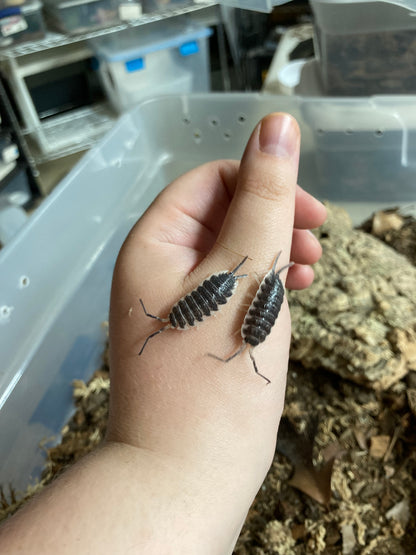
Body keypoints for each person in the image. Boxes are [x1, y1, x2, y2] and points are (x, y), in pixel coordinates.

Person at [0, 112, 326, 554]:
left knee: (252, 280)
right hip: (225, 295)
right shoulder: (192, 311)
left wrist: (166, 463)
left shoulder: (222, 309)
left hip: (231, 292)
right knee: (251, 281)